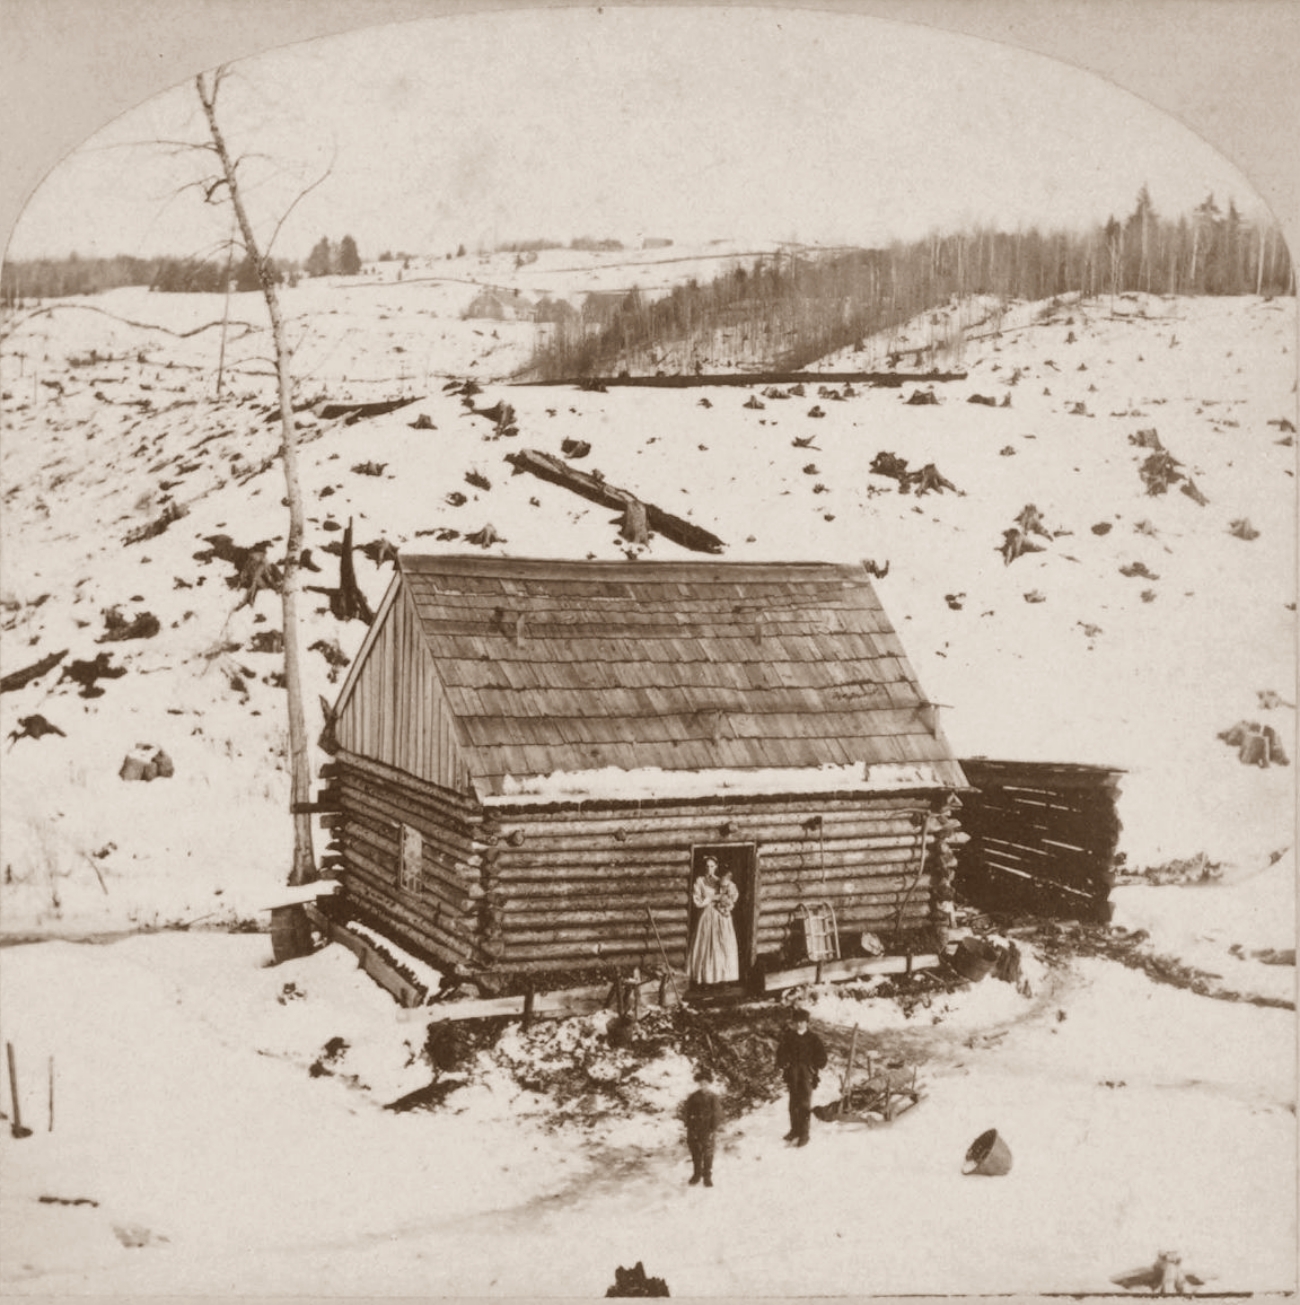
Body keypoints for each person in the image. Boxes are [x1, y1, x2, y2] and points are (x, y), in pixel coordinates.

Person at [775, 1007, 827, 1146]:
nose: (799, 1024)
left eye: (802, 1022)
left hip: (806, 1075)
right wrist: (784, 1063)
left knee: (804, 1104)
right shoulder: (788, 1037)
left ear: (807, 1022)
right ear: (793, 1023)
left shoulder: (813, 1038)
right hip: (792, 1074)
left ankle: (804, 1133)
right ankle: (794, 1130)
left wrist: (813, 1067)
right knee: (793, 1104)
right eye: (796, 1022)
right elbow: (780, 1053)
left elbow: (822, 1057)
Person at [686, 858, 740, 987]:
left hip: (721, 916)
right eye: (707, 866)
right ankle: (705, 978)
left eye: (712, 866)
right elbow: (697, 900)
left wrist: (726, 901)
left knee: (723, 944)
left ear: (716, 867)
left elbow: (732, 896)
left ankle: (723, 977)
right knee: (706, 945)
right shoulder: (700, 881)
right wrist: (712, 898)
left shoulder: (721, 880)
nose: (709, 869)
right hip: (707, 915)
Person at [682, 1066, 724, 1187]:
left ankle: (707, 1176)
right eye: (701, 1083)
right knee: (695, 1152)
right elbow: (686, 1111)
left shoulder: (713, 1097)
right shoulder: (693, 1096)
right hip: (694, 1128)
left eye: (705, 1083)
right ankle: (696, 1174)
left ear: (709, 1084)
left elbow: (717, 1114)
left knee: (707, 1152)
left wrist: (713, 1129)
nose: (703, 1085)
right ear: (698, 1084)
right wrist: (689, 1125)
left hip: (707, 1128)